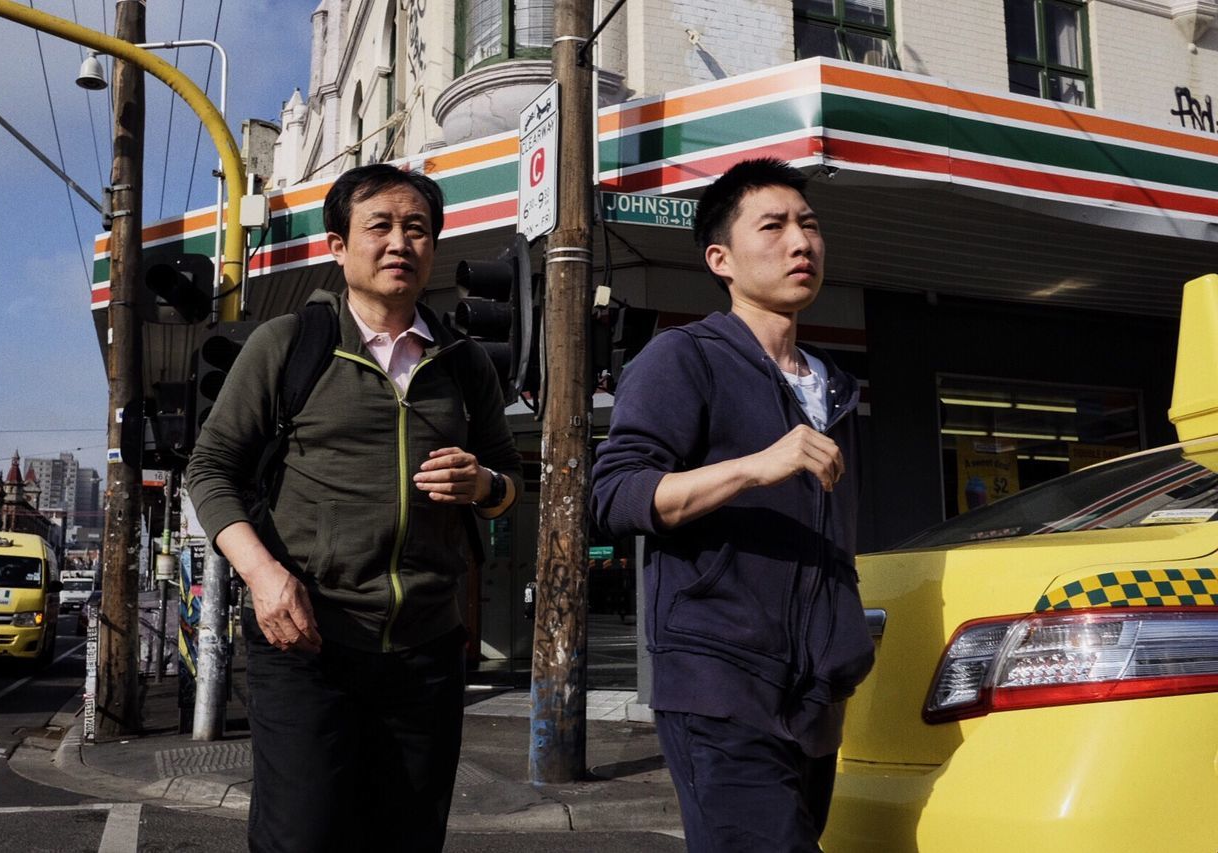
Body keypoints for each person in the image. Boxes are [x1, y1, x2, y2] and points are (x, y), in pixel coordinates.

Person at [186, 163, 522, 853]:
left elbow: (510, 480)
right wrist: (262, 574)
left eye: (418, 228)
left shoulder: (463, 363)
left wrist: (484, 483)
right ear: (338, 245)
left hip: (427, 649)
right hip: (308, 640)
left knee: (407, 839)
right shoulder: (287, 345)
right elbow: (210, 469)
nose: (401, 242)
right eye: (381, 226)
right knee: (302, 838)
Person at [589, 158, 875, 852]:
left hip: (816, 697)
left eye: (808, 225)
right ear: (720, 258)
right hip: (720, 685)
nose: (800, 243)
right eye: (772, 226)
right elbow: (614, 494)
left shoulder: (833, 387)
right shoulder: (683, 357)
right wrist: (754, 466)